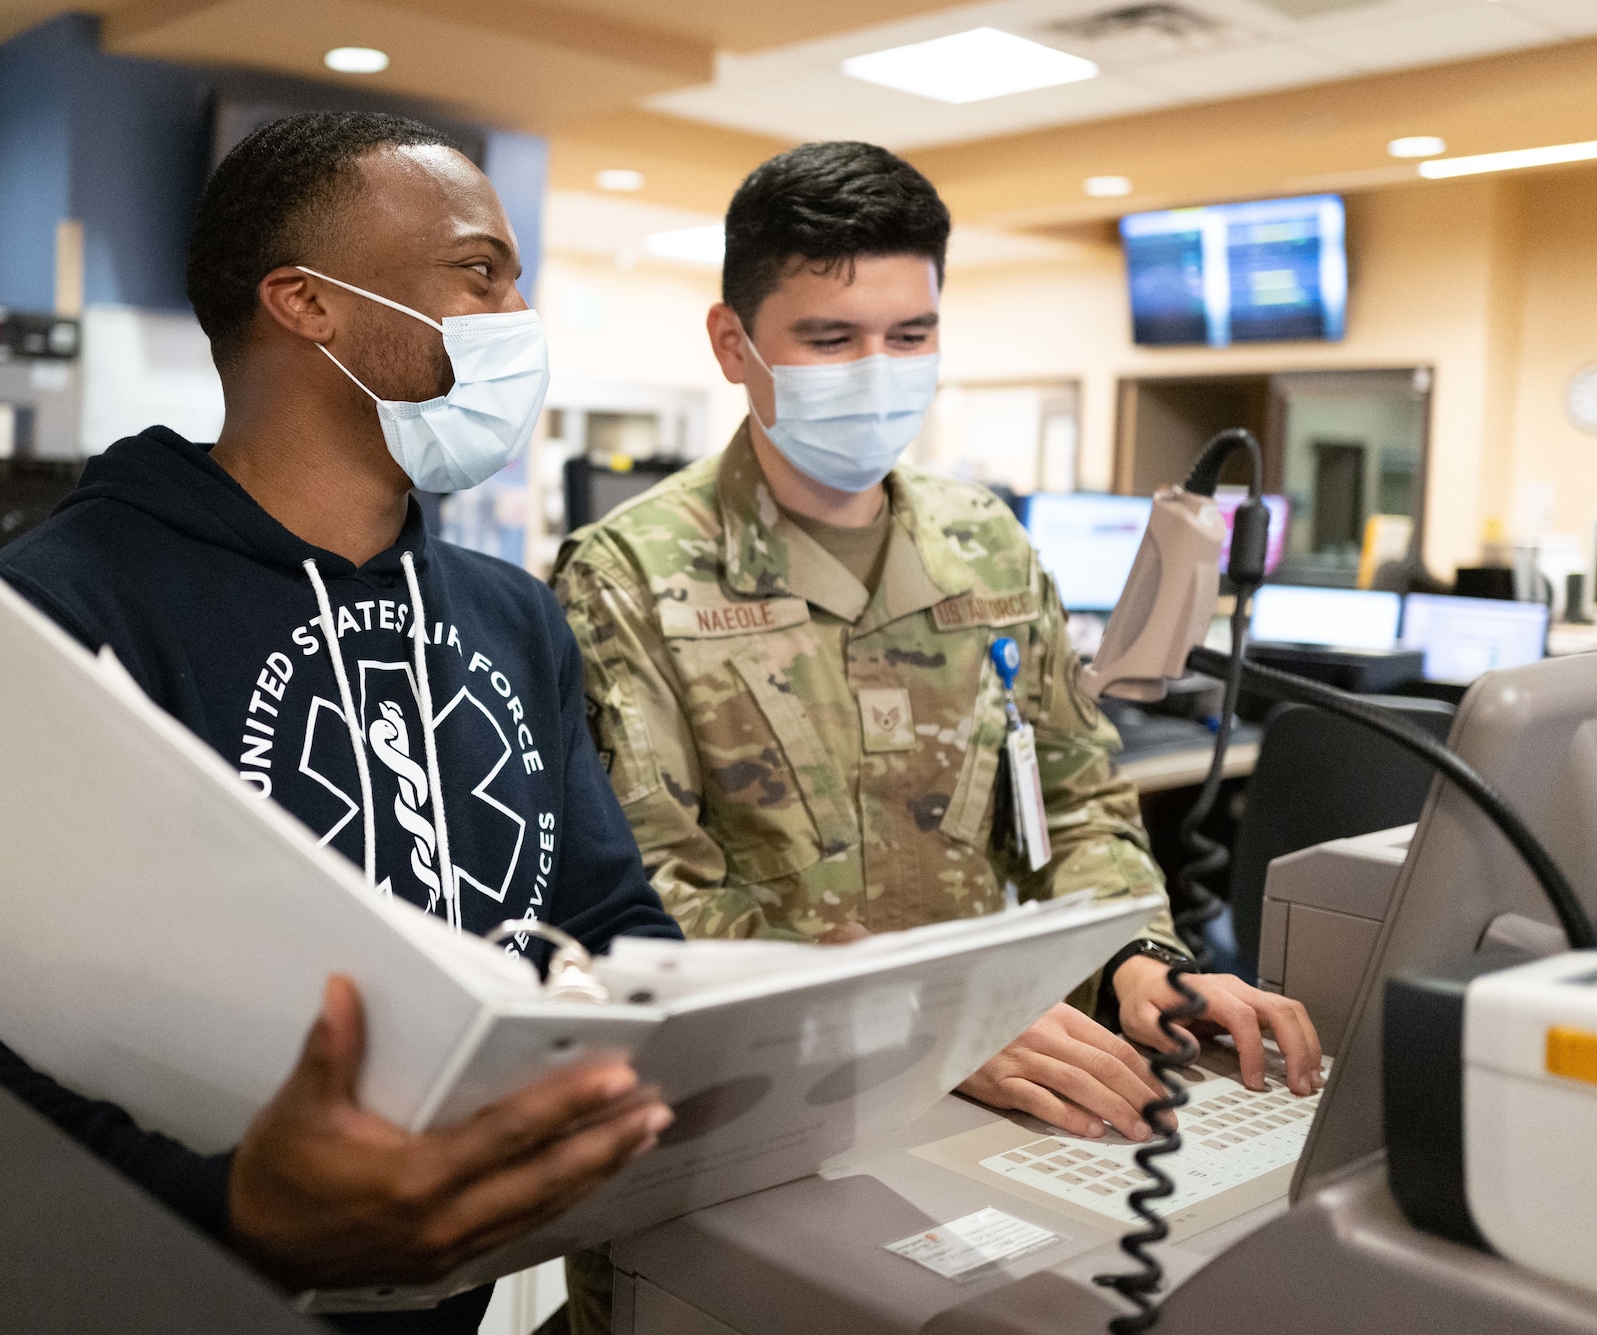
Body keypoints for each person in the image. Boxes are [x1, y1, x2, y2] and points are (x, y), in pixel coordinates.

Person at [0, 112, 679, 1333]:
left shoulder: (512, 619)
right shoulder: (59, 607)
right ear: (307, 303)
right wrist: (239, 1212)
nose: (518, 318)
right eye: (477, 271)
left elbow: (606, 921)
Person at [553, 140, 1322, 1145]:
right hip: (753, 1118)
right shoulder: (630, 573)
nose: (877, 373)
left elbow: (1078, 800)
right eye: (829, 340)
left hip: (998, 1097)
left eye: (909, 335)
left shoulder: (983, 544)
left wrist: (1138, 960)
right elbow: (653, 905)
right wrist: (927, 1022)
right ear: (731, 344)